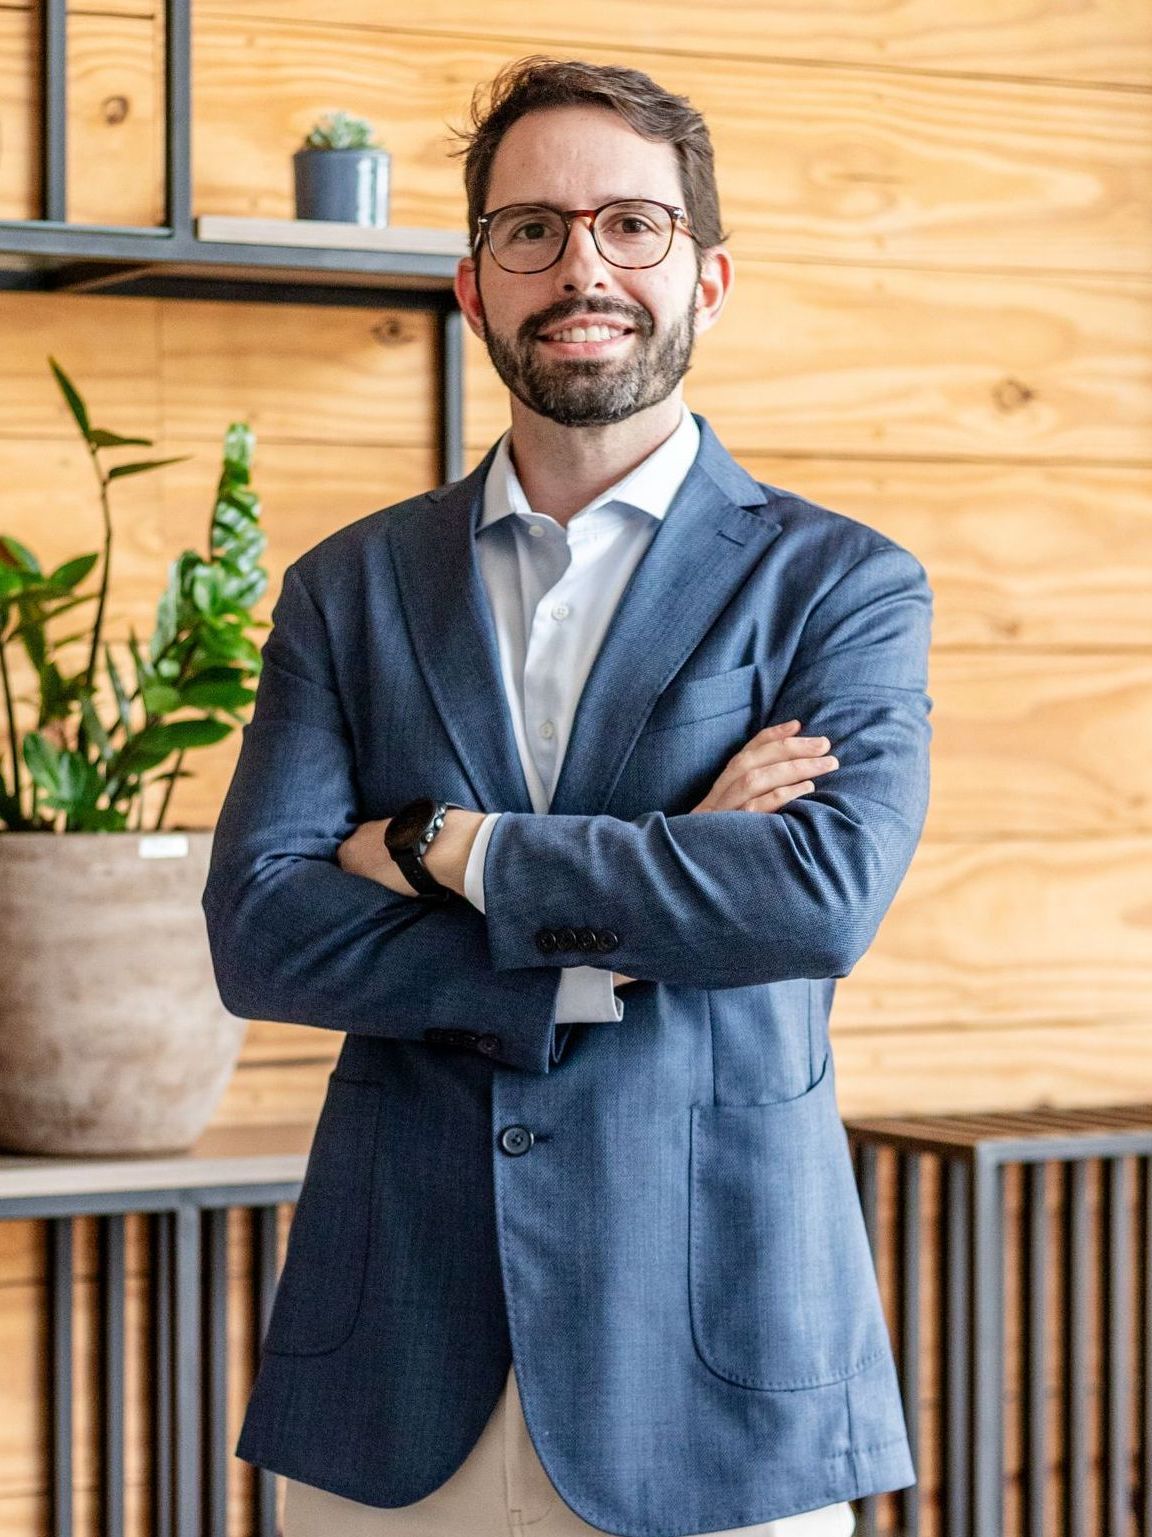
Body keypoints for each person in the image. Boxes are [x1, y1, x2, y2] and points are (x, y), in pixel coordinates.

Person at [202, 54, 931, 1537]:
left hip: (716, 1356)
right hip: (398, 1363)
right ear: (471, 284)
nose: (577, 264)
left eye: (629, 225)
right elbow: (260, 930)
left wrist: (439, 845)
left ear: (707, 280)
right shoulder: (347, 589)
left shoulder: (838, 585)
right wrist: (638, 912)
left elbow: (812, 895)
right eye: (528, 229)